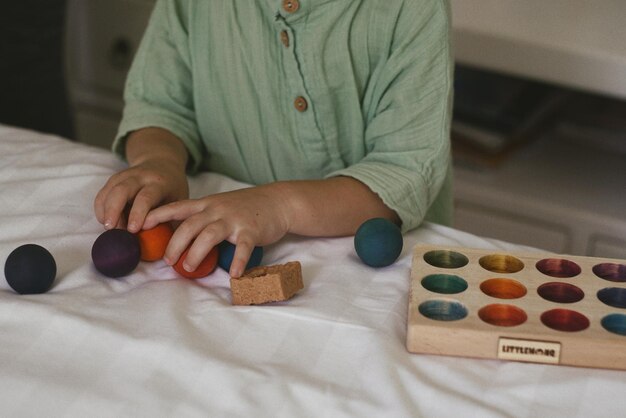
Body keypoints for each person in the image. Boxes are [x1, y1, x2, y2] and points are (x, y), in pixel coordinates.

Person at [94, 0, 454, 278]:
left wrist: (280, 207)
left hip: (370, 270)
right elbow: (160, 107)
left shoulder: (412, 9)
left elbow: (402, 170)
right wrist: (159, 160)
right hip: (227, 254)